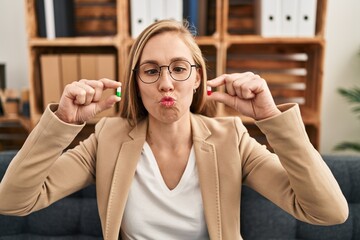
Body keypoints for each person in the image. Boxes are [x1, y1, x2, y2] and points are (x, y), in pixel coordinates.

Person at [0, 19, 348, 240]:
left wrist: (271, 118)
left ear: (197, 78)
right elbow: (13, 201)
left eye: (179, 68)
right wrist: (62, 122)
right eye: (150, 71)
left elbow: (328, 212)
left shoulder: (232, 139)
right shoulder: (107, 138)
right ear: (135, 83)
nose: (166, 83)